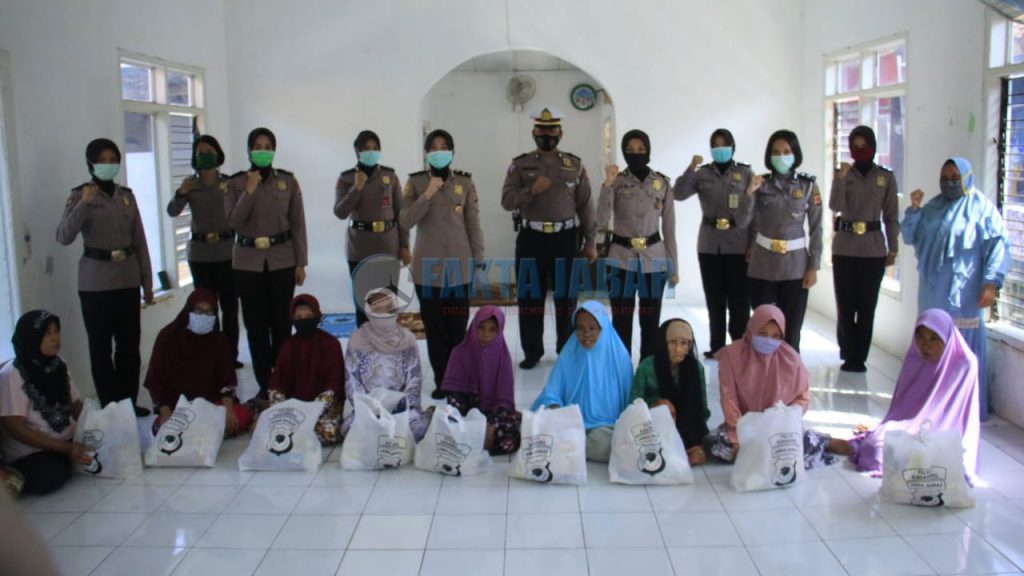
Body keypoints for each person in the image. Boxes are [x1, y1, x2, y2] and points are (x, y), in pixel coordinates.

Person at [902, 157, 1010, 417]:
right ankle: (929, 403)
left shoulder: (982, 209)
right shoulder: (933, 207)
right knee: (931, 341)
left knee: (961, 347)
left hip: (964, 293)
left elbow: (998, 247)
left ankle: (963, 407)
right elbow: (909, 236)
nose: (949, 183)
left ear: (967, 178)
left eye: (955, 178)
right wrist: (914, 210)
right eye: (945, 178)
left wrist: (991, 283)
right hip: (932, 292)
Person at [56, 138, 152, 415]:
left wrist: (147, 282)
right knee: (100, 348)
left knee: (129, 346)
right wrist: (83, 205)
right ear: (91, 164)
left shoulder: (126, 196)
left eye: (113, 160)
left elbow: (139, 240)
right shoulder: (80, 195)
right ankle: (110, 407)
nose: (108, 165)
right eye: (102, 160)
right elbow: (64, 236)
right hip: (95, 283)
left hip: (127, 279)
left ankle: (128, 402)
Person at [501, 107, 597, 369]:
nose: (547, 134)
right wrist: (530, 191)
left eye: (552, 129)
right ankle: (532, 352)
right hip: (531, 238)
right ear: (534, 132)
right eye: (541, 130)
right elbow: (507, 201)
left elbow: (586, 206)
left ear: (560, 133)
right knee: (530, 297)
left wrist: (590, 242)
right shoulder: (520, 165)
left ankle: (566, 349)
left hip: (565, 238)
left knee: (566, 298)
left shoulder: (575, 165)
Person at [705, 305, 851, 467]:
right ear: (752, 329)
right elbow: (728, 398)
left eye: (776, 336)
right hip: (743, 425)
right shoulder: (732, 355)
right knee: (714, 444)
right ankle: (766, 454)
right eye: (762, 333)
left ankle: (822, 441)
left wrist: (779, 417)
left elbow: (802, 399)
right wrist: (739, 433)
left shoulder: (791, 359)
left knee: (791, 446)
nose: (769, 340)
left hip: (778, 427)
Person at [399, 129, 484, 399]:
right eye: (433, 147)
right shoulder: (416, 183)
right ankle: (442, 381)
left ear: (452, 151)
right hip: (428, 271)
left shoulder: (465, 182)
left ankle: (458, 380)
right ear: (427, 153)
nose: (439, 152)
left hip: (459, 269)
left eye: (444, 146)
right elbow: (405, 220)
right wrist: (427, 194)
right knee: (435, 329)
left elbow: (473, 224)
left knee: (457, 329)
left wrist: (479, 260)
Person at [849, 309, 980, 482]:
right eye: (920, 337)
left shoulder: (964, 364)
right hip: (908, 427)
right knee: (874, 449)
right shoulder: (915, 358)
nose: (925, 346)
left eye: (933, 338)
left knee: (931, 460)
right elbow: (902, 410)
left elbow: (960, 418)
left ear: (947, 337)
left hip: (942, 434)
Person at [227, 127, 308, 403]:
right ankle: (265, 384)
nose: (263, 151)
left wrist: (301, 262)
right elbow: (232, 223)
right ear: (249, 150)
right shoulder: (236, 184)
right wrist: (249, 192)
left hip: (282, 259)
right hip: (247, 263)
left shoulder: (287, 181)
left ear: (274, 150)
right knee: (256, 326)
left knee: (282, 323)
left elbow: (298, 223)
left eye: (267, 146)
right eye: (257, 146)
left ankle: (283, 379)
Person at [673, 129, 756, 357]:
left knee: (739, 300)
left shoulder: (745, 173)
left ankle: (739, 345)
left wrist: (752, 244)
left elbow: (753, 212)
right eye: (716, 145)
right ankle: (717, 345)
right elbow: (678, 193)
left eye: (724, 144)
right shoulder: (702, 174)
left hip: (738, 244)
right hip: (710, 245)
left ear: (732, 147)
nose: (720, 149)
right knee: (714, 298)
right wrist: (690, 168)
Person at [597, 129, 678, 360]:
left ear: (648, 150)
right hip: (620, 259)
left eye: (641, 149)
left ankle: (647, 369)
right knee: (621, 319)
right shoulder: (616, 182)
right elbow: (601, 220)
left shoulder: (661, 183)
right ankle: (621, 369)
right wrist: (607, 184)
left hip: (654, 259)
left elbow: (669, 229)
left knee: (650, 321)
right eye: (630, 150)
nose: (636, 154)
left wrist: (674, 266)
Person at [167, 134, 241, 367]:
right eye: (200, 153)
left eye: (209, 152)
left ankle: (230, 355)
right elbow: (172, 211)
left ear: (218, 154)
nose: (205, 156)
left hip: (227, 251)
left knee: (230, 307)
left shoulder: (228, 183)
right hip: (200, 254)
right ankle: (211, 354)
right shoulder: (190, 185)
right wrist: (181, 192)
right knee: (206, 307)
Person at [830, 126, 900, 372]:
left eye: (865, 145)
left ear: (873, 147)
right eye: (855, 146)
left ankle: (860, 356)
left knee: (867, 306)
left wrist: (893, 249)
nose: (860, 150)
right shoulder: (843, 174)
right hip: (845, 248)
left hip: (873, 250)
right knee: (845, 306)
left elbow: (891, 216)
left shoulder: (885, 177)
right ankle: (848, 353)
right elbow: (835, 205)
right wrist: (840, 180)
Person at [747, 130, 821, 352]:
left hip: (795, 268)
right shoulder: (760, 184)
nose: (781, 156)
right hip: (763, 266)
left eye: (786, 151)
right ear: (769, 155)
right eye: (776, 152)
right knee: (763, 329)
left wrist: (813, 266)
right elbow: (742, 221)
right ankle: (761, 370)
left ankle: (789, 371)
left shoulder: (808, 186)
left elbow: (816, 229)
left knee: (791, 331)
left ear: (795, 154)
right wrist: (748, 192)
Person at [0, 311, 90, 495]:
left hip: (62, 439)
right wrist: (65, 448)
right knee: (50, 476)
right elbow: (14, 427)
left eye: (56, 331)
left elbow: (75, 405)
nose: (55, 338)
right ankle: (14, 473)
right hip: (31, 450)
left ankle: (65, 458)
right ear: (31, 337)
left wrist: (97, 426)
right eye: (47, 333)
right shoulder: (13, 375)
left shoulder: (59, 364)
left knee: (97, 447)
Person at [531, 300, 632, 463]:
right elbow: (552, 390)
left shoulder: (619, 356)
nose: (586, 334)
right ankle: (572, 444)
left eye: (592, 328)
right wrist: (555, 407)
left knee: (603, 442)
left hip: (605, 425)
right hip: (569, 422)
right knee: (544, 425)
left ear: (603, 328)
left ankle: (569, 446)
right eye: (580, 328)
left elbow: (629, 398)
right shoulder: (568, 353)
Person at [144, 289, 253, 437]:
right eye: (198, 310)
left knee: (242, 418)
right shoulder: (168, 337)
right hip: (177, 406)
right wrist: (165, 411)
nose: (203, 316)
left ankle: (198, 432)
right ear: (188, 310)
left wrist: (228, 410)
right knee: (163, 428)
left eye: (209, 312)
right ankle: (205, 432)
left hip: (211, 403)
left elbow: (227, 380)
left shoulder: (218, 340)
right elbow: (155, 380)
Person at [334, 130, 411, 327]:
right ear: (357, 151)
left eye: (375, 148)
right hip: (359, 248)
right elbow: (340, 212)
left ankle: (386, 343)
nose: (371, 152)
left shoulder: (389, 176)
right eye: (366, 148)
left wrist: (404, 246)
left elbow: (401, 213)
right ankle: (365, 344)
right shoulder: (347, 178)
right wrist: (357, 187)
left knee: (387, 303)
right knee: (363, 305)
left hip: (387, 246)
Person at [343, 288, 429, 440]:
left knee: (418, 428)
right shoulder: (357, 339)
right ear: (369, 311)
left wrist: (401, 405)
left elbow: (415, 378)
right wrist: (371, 408)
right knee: (351, 429)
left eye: (388, 308)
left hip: (402, 407)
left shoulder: (407, 338)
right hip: (368, 408)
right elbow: (352, 380)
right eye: (378, 310)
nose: (383, 314)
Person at [441, 306, 521, 455]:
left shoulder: (503, 357)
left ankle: (469, 444)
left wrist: (491, 426)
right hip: (465, 415)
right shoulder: (459, 354)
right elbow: (453, 400)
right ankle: (474, 442)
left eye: (492, 330)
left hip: (492, 414)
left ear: (499, 331)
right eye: (481, 328)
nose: (486, 334)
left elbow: (504, 400)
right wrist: (468, 424)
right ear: (473, 327)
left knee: (510, 437)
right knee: (442, 427)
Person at [629, 319, 710, 466]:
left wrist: (696, 435)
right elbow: (633, 404)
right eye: (673, 343)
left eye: (684, 343)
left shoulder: (696, 368)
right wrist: (655, 405)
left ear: (689, 346)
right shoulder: (647, 367)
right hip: (652, 426)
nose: (678, 349)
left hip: (687, 428)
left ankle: (686, 447)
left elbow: (701, 408)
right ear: (663, 343)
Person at [268, 294, 345, 445]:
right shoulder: (288, 345)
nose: (303, 321)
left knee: (329, 433)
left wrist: (314, 408)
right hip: (294, 407)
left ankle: (297, 435)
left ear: (317, 316)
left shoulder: (330, 343)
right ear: (292, 319)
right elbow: (278, 379)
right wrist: (283, 404)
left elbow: (335, 380)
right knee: (267, 429)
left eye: (309, 316)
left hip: (324, 407)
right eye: (298, 317)